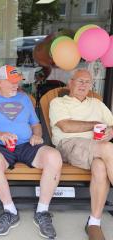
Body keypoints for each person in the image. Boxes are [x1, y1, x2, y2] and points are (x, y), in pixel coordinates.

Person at [0, 65, 62, 239]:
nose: (16, 85)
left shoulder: (25, 99)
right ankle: (10, 211)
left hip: (27, 145)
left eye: (17, 81)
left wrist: (37, 135)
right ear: (0, 82)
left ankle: (42, 212)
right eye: (11, 82)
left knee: (54, 157)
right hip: (1, 147)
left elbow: (35, 124)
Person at [49, 68, 113, 240]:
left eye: (87, 82)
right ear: (70, 83)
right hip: (69, 145)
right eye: (80, 81)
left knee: (100, 167)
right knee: (108, 149)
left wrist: (111, 131)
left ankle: (94, 223)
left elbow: (112, 124)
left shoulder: (97, 104)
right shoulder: (59, 103)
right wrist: (94, 124)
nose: (84, 85)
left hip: (96, 148)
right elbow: (66, 127)